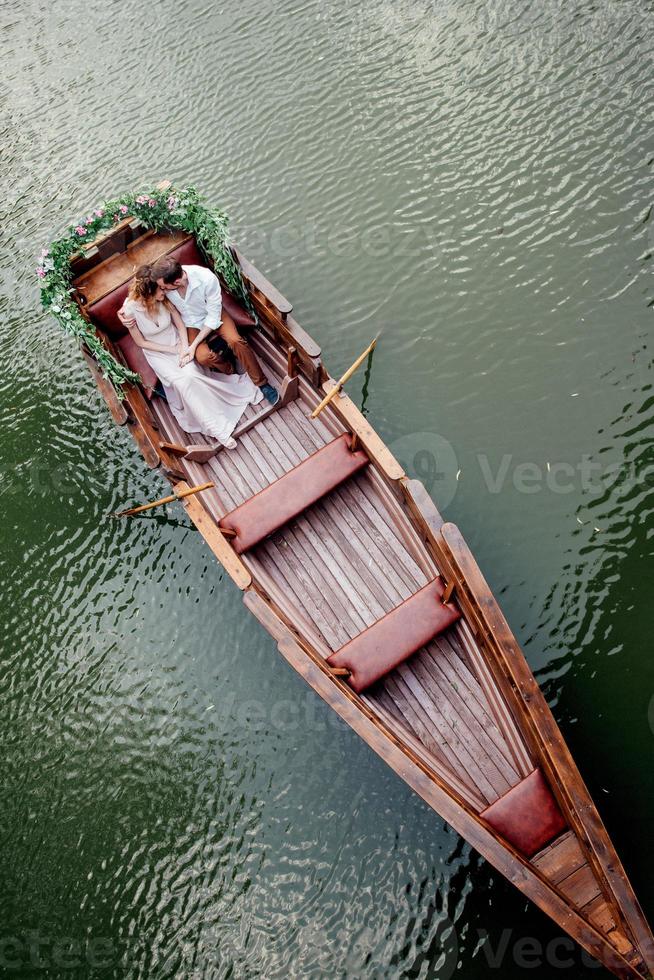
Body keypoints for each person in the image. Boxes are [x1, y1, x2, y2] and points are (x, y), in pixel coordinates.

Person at [121, 265, 263, 449]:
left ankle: (228, 396)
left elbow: (180, 324)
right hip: (157, 353)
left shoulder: (164, 298)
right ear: (149, 294)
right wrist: (172, 351)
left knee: (192, 375)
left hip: (179, 343)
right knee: (183, 382)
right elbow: (141, 343)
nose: (164, 292)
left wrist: (184, 347)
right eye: (160, 290)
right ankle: (219, 431)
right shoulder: (129, 312)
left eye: (164, 288)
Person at [148, 255, 279, 405]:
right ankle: (231, 371)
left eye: (164, 287)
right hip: (191, 324)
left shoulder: (206, 278)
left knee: (236, 341)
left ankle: (262, 384)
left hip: (214, 315)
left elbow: (213, 318)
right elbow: (144, 290)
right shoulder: (164, 284)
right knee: (203, 357)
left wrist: (193, 345)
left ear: (177, 282)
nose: (162, 290)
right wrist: (127, 311)